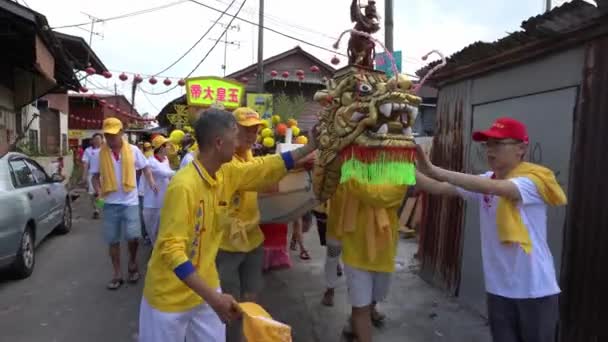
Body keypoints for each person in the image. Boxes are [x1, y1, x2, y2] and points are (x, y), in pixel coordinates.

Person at [139, 109, 317, 342]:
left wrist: (309, 146)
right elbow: (171, 251)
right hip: (168, 297)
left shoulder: (225, 172)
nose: (239, 143)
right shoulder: (184, 186)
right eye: (235, 137)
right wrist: (214, 299)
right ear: (219, 142)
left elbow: (261, 168)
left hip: (206, 287)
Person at [414, 117, 566, 342]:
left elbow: (496, 189)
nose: (490, 151)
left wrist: (434, 169)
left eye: (498, 143)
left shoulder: (534, 181)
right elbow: (435, 187)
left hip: (535, 291)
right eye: (487, 145)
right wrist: (398, 163)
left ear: (521, 148)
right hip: (499, 290)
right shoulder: (486, 180)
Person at [215, 107, 282, 342]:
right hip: (228, 244)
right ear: (231, 130)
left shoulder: (249, 155)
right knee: (230, 302)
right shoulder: (225, 160)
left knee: (251, 294)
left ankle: (246, 335)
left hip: (253, 239)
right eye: (246, 130)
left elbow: (261, 181)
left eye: (255, 130)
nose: (252, 135)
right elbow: (251, 174)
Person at [90, 118, 158, 290]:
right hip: (110, 203)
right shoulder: (100, 154)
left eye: (114, 134)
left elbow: (146, 167)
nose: (111, 138)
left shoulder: (133, 150)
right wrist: (98, 191)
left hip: (130, 201)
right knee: (113, 241)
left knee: (133, 237)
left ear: (121, 133)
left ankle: (133, 263)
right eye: (108, 135)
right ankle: (117, 274)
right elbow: (95, 176)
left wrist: (150, 182)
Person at [141, 135, 175, 245]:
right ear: (161, 147)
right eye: (166, 145)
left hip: (164, 202)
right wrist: (185, 171)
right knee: (153, 233)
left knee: (163, 232)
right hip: (152, 203)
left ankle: (158, 255)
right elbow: (166, 173)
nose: (169, 147)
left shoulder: (165, 160)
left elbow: (170, 176)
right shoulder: (151, 162)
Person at [82, 133, 103, 219]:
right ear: (92, 140)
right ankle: (96, 209)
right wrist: (84, 175)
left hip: (103, 175)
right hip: (92, 174)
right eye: (96, 139)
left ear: (102, 140)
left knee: (100, 194)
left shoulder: (105, 150)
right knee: (92, 194)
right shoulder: (88, 150)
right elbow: (86, 163)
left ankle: (99, 208)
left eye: (99, 139)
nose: (97, 140)